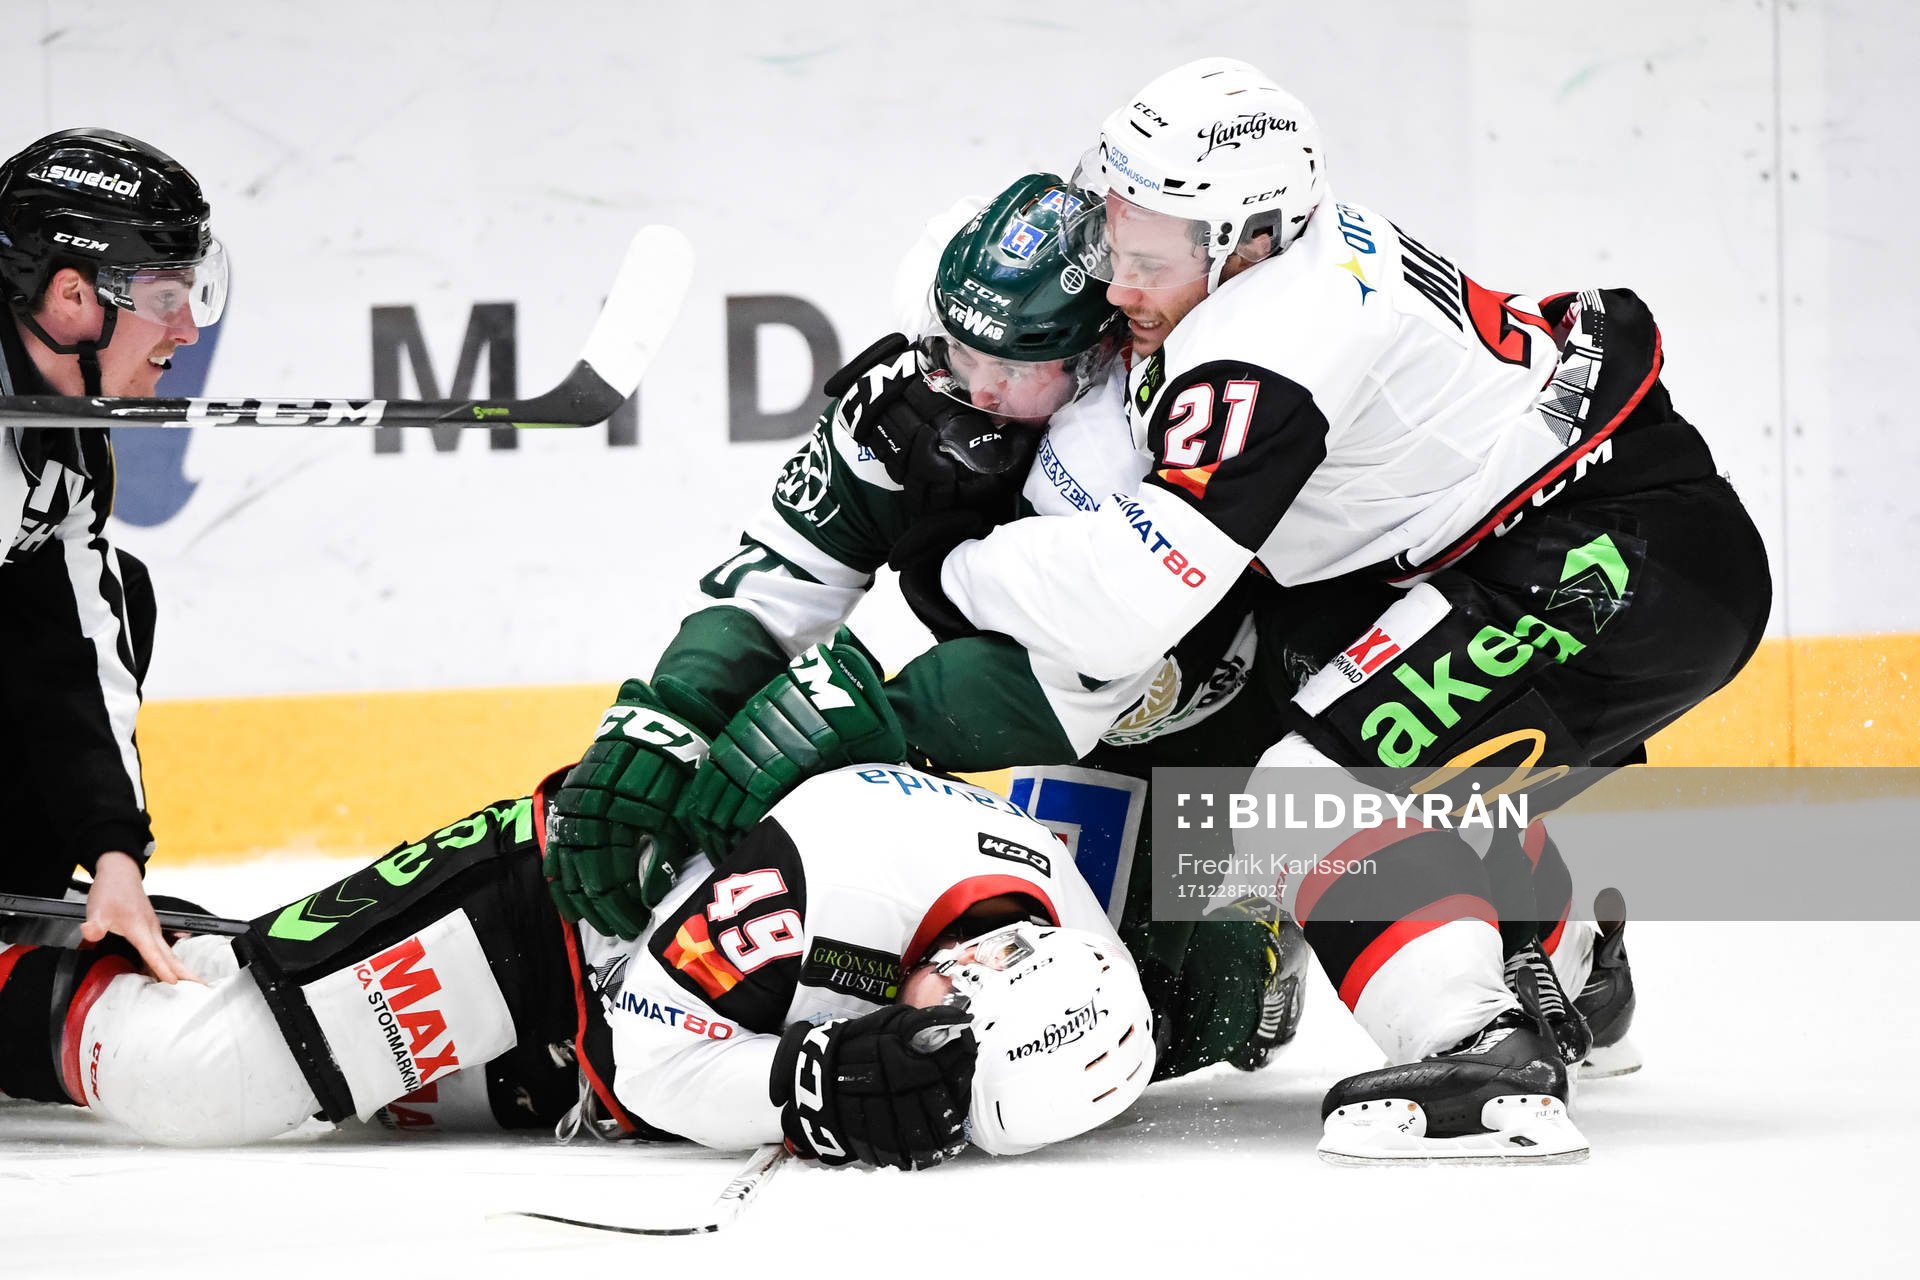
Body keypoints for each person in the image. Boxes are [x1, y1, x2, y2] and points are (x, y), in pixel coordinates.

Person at [674, 58, 1770, 1160]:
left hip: (1613, 564)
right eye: (1116, 237)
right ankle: (1570, 951)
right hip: (1550, 545)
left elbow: (1135, 601)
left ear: (1246, 241)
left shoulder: (1263, 345)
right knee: (1324, 733)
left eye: (1150, 258)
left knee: (1303, 793)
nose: (1120, 286)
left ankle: (1480, 1054)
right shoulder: (1254, 269)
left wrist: (942, 584)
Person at [543, 173, 1312, 1081]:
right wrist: (672, 711)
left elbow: (1092, 674)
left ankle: (1289, 916)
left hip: (1233, 702)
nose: (981, 390)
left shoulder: (1134, 433)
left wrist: (866, 715)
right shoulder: (903, 392)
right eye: (962, 351)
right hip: (1094, 716)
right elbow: (781, 576)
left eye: (1022, 368)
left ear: (1097, 355)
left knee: (1164, 1019)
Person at [0, 760, 1154, 1167]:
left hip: (627, 1022)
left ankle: (191, 949)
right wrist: (815, 1089)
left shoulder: (1074, 954)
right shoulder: (836, 869)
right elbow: (653, 1049)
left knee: (311, 1061)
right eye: (939, 1047)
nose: (928, 1069)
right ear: (981, 966)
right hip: (542, 924)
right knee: (204, 1082)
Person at [0, 128, 228, 983]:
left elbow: (75, 647)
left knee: (111, 592)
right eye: (165, 297)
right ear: (69, 297)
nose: (188, 330)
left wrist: (113, 857)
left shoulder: (66, 445)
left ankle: (16, 898)